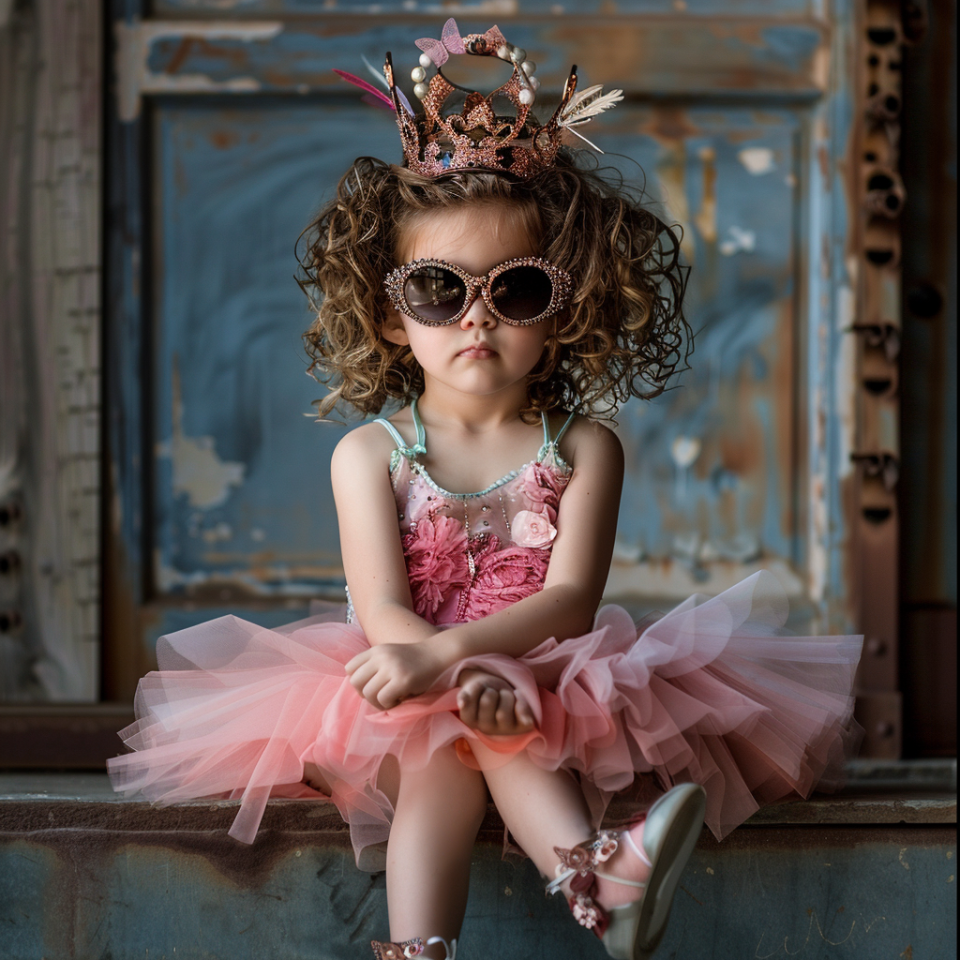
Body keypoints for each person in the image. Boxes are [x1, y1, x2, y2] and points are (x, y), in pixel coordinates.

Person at [108, 21, 863, 960]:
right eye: (437, 289)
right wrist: (448, 669)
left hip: (546, 669)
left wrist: (473, 666)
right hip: (410, 666)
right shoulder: (370, 455)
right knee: (441, 754)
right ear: (391, 316)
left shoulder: (583, 446)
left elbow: (570, 600)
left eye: (514, 292)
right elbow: (381, 605)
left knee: (491, 726)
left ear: (565, 308)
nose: (474, 317)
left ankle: (573, 891)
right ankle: (567, 893)